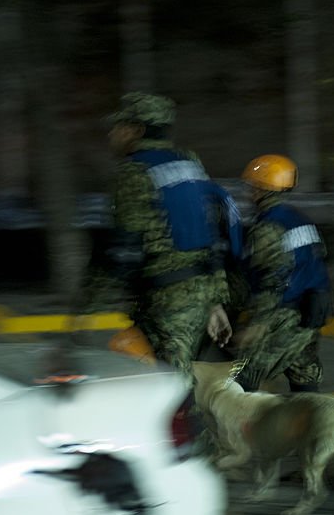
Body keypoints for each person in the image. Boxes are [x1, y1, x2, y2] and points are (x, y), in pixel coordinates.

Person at [77, 92, 238, 378]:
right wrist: (215, 302)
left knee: (172, 390)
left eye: (119, 126)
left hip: (167, 303)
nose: (113, 133)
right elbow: (210, 234)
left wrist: (86, 310)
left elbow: (123, 247)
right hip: (199, 297)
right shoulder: (189, 162)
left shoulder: (133, 172)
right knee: (175, 383)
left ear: (136, 130)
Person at [231, 154, 332, 393]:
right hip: (312, 311)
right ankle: (312, 427)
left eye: (251, 186)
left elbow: (271, 279)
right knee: (305, 379)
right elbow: (317, 261)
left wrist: (257, 325)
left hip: (282, 314)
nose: (248, 192)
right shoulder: (300, 221)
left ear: (261, 188)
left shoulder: (267, 226)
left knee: (241, 382)